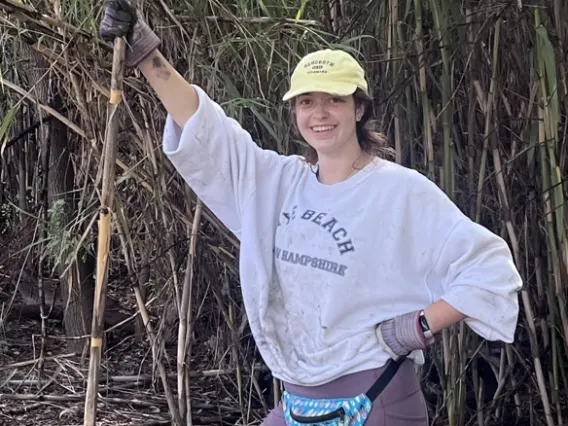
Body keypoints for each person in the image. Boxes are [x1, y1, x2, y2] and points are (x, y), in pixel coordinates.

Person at [99, 2, 523, 425]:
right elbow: (206, 129)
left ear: (358, 109)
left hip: (376, 403)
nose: (319, 113)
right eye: (306, 102)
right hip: (296, 404)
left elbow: (489, 267)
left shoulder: (400, 191)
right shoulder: (275, 183)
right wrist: (147, 55)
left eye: (333, 100)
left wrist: (418, 326)